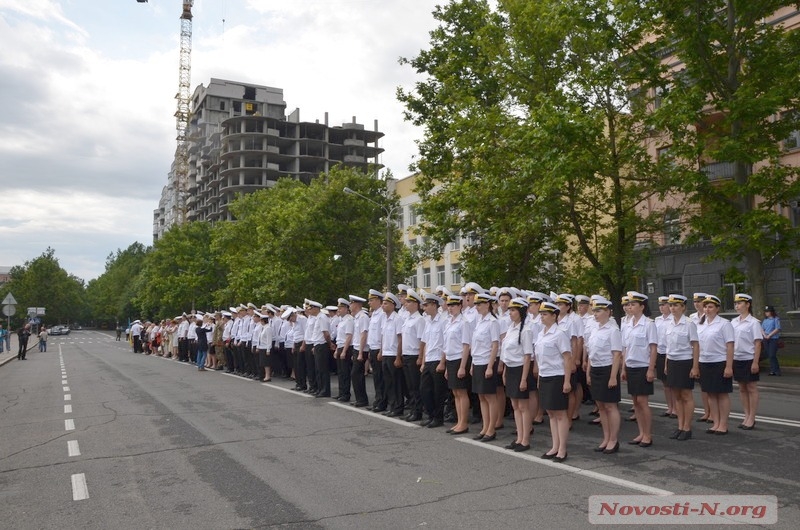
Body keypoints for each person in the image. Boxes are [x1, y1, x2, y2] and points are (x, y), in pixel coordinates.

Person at [535, 301, 572, 462]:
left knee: (560, 414)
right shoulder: (541, 333)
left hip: (557, 377)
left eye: (544, 314)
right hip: (545, 376)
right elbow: (539, 359)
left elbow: (567, 358)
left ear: (554, 316)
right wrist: (539, 378)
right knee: (550, 413)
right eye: (541, 314)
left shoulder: (560, 334)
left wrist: (567, 381)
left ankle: (562, 449)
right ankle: (555, 446)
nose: (541, 317)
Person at [586, 297, 623, 455]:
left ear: (608, 312)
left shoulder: (613, 330)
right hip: (595, 369)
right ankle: (606, 437)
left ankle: (614, 440)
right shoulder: (595, 329)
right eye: (594, 310)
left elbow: (616, 355)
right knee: (600, 405)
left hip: (608, 369)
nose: (595, 314)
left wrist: (613, 376)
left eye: (599, 311)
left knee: (610, 406)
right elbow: (590, 353)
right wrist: (588, 371)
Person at [621, 291, 658, 448]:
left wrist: (651, 369)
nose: (630, 307)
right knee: (635, 402)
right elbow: (625, 348)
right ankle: (641, 432)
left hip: (643, 366)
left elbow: (653, 348)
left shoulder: (649, 324)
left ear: (642, 307)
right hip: (631, 366)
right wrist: (623, 368)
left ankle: (648, 435)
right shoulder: (627, 324)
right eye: (628, 304)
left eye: (633, 304)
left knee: (643, 402)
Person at [500, 297, 535, 452]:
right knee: (515, 405)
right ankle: (519, 437)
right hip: (511, 368)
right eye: (510, 310)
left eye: (513, 310)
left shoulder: (526, 330)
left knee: (523, 406)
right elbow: (507, 352)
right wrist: (506, 371)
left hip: (521, 369)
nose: (510, 313)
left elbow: (527, 355)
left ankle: (525, 440)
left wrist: (523, 379)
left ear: (521, 311)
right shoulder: (511, 328)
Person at [697, 295, 735, 435]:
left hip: (720, 362)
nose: (707, 309)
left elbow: (730, 346)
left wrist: (729, 366)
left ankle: (723, 424)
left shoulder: (724, 324)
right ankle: (716, 422)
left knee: (722, 394)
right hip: (704, 362)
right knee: (711, 394)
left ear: (717, 309)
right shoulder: (700, 324)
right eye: (705, 306)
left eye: (710, 306)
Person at [665, 294, 700, 441]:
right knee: (677, 396)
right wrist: (666, 364)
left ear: (683, 307)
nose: (672, 308)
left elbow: (695, 346)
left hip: (685, 362)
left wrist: (695, 366)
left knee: (686, 395)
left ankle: (687, 427)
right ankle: (680, 426)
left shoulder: (689, 323)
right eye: (671, 305)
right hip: (672, 362)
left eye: (676, 305)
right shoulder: (669, 323)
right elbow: (668, 346)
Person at [470, 292, 501, 443]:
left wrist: (490, 366)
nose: (477, 307)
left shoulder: (492, 322)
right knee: (481, 397)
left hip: (487, 362)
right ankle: (485, 426)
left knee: (490, 397)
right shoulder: (480, 321)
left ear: (488, 305)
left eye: (480, 304)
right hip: (477, 361)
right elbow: (475, 345)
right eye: (476, 304)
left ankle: (491, 429)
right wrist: (472, 364)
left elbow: (495, 345)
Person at [731, 293, 761, 430]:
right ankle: (746, 415)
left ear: (748, 304)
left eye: (740, 303)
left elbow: (757, 344)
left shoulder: (754, 322)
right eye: (736, 303)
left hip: (749, 359)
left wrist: (755, 362)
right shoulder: (733, 322)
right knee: (742, 388)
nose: (737, 305)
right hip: (737, 358)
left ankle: (752, 418)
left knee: (751, 388)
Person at [443, 295, 472, 435]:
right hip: (450, 359)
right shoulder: (449, 322)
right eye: (449, 306)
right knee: (455, 393)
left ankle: (463, 423)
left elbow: (466, 345)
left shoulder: (464, 322)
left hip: (460, 359)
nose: (450, 308)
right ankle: (459, 421)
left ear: (460, 306)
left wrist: (462, 366)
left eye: (453, 305)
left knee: (461, 392)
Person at [419, 292, 447, 428]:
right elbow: (426, 343)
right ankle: (430, 415)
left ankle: (438, 417)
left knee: (438, 391)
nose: (425, 308)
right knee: (425, 390)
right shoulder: (428, 322)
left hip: (437, 359)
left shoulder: (443, 321)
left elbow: (445, 344)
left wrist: (442, 362)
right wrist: (423, 362)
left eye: (427, 305)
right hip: (429, 359)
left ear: (434, 305)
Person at [401, 290, 426, 421]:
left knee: (416, 386)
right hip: (406, 355)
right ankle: (413, 409)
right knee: (410, 386)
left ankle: (418, 412)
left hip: (414, 355)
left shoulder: (419, 320)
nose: (406, 303)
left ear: (416, 304)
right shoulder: (407, 319)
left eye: (409, 302)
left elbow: (422, 340)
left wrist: (420, 357)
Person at [654, 296, 677, 418]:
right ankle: (670, 407)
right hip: (660, 352)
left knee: (672, 382)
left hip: (671, 354)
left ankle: (676, 409)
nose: (661, 307)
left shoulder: (674, 319)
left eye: (664, 305)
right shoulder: (657, 320)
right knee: (665, 383)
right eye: (660, 305)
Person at [762, 306, 781, 376]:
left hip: (773, 339)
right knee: (769, 355)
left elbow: (777, 329)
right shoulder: (765, 320)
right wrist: (764, 335)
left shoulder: (776, 319)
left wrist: (769, 335)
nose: (766, 313)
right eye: (765, 311)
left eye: (768, 311)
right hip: (766, 339)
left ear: (772, 312)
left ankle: (776, 370)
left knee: (772, 354)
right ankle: (773, 370)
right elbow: (762, 329)